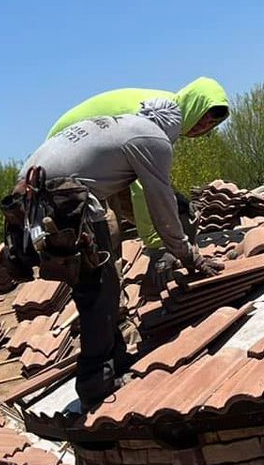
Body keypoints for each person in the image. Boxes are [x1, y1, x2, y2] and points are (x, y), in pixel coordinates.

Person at [13, 82, 230, 408]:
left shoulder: (124, 126)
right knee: (98, 289)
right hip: (62, 202)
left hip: (33, 198)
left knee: (104, 284)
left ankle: (115, 359)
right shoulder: (153, 140)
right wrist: (187, 255)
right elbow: (160, 204)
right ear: (174, 123)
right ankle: (95, 385)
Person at [44, 79, 227, 236]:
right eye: (203, 117)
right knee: (107, 224)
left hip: (91, 151)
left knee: (164, 204)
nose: (203, 125)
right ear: (194, 105)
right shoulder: (157, 117)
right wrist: (156, 244)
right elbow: (142, 188)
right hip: (68, 153)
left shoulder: (169, 111)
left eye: (211, 123)